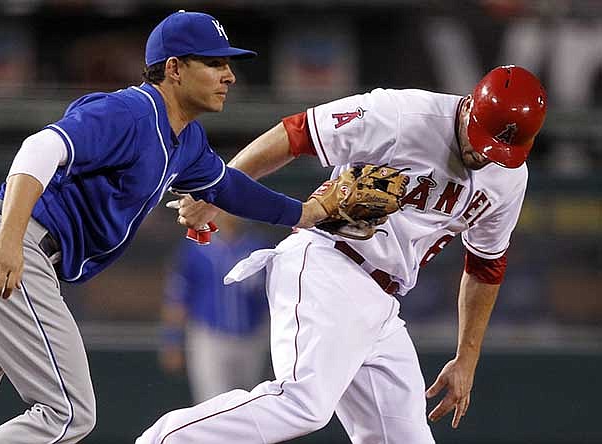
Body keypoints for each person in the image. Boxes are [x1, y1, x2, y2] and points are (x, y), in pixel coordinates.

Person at [0, 10, 327, 444]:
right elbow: (39, 147)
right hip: (6, 242)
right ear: (174, 69)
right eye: (214, 63)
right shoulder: (130, 111)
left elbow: (229, 187)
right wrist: (10, 236)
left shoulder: (185, 140)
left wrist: (306, 214)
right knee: (67, 412)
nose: (229, 75)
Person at [138, 65, 547, 443]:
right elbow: (297, 133)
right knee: (304, 403)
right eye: (484, 141)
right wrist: (220, 190)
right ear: (470, 107)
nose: (486, 155)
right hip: (329, 261)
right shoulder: (403, 114)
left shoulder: (508, 179)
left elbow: (486, 265)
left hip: (383, 303)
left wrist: (466, 358)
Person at [160, 212, 271, 403]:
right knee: (212, 403)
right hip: (209, 335)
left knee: (250, 403)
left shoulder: (259, 245)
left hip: (253, 335)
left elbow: (272, 298)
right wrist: (172, 340)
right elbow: (177, 297)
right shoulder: (195, 248)